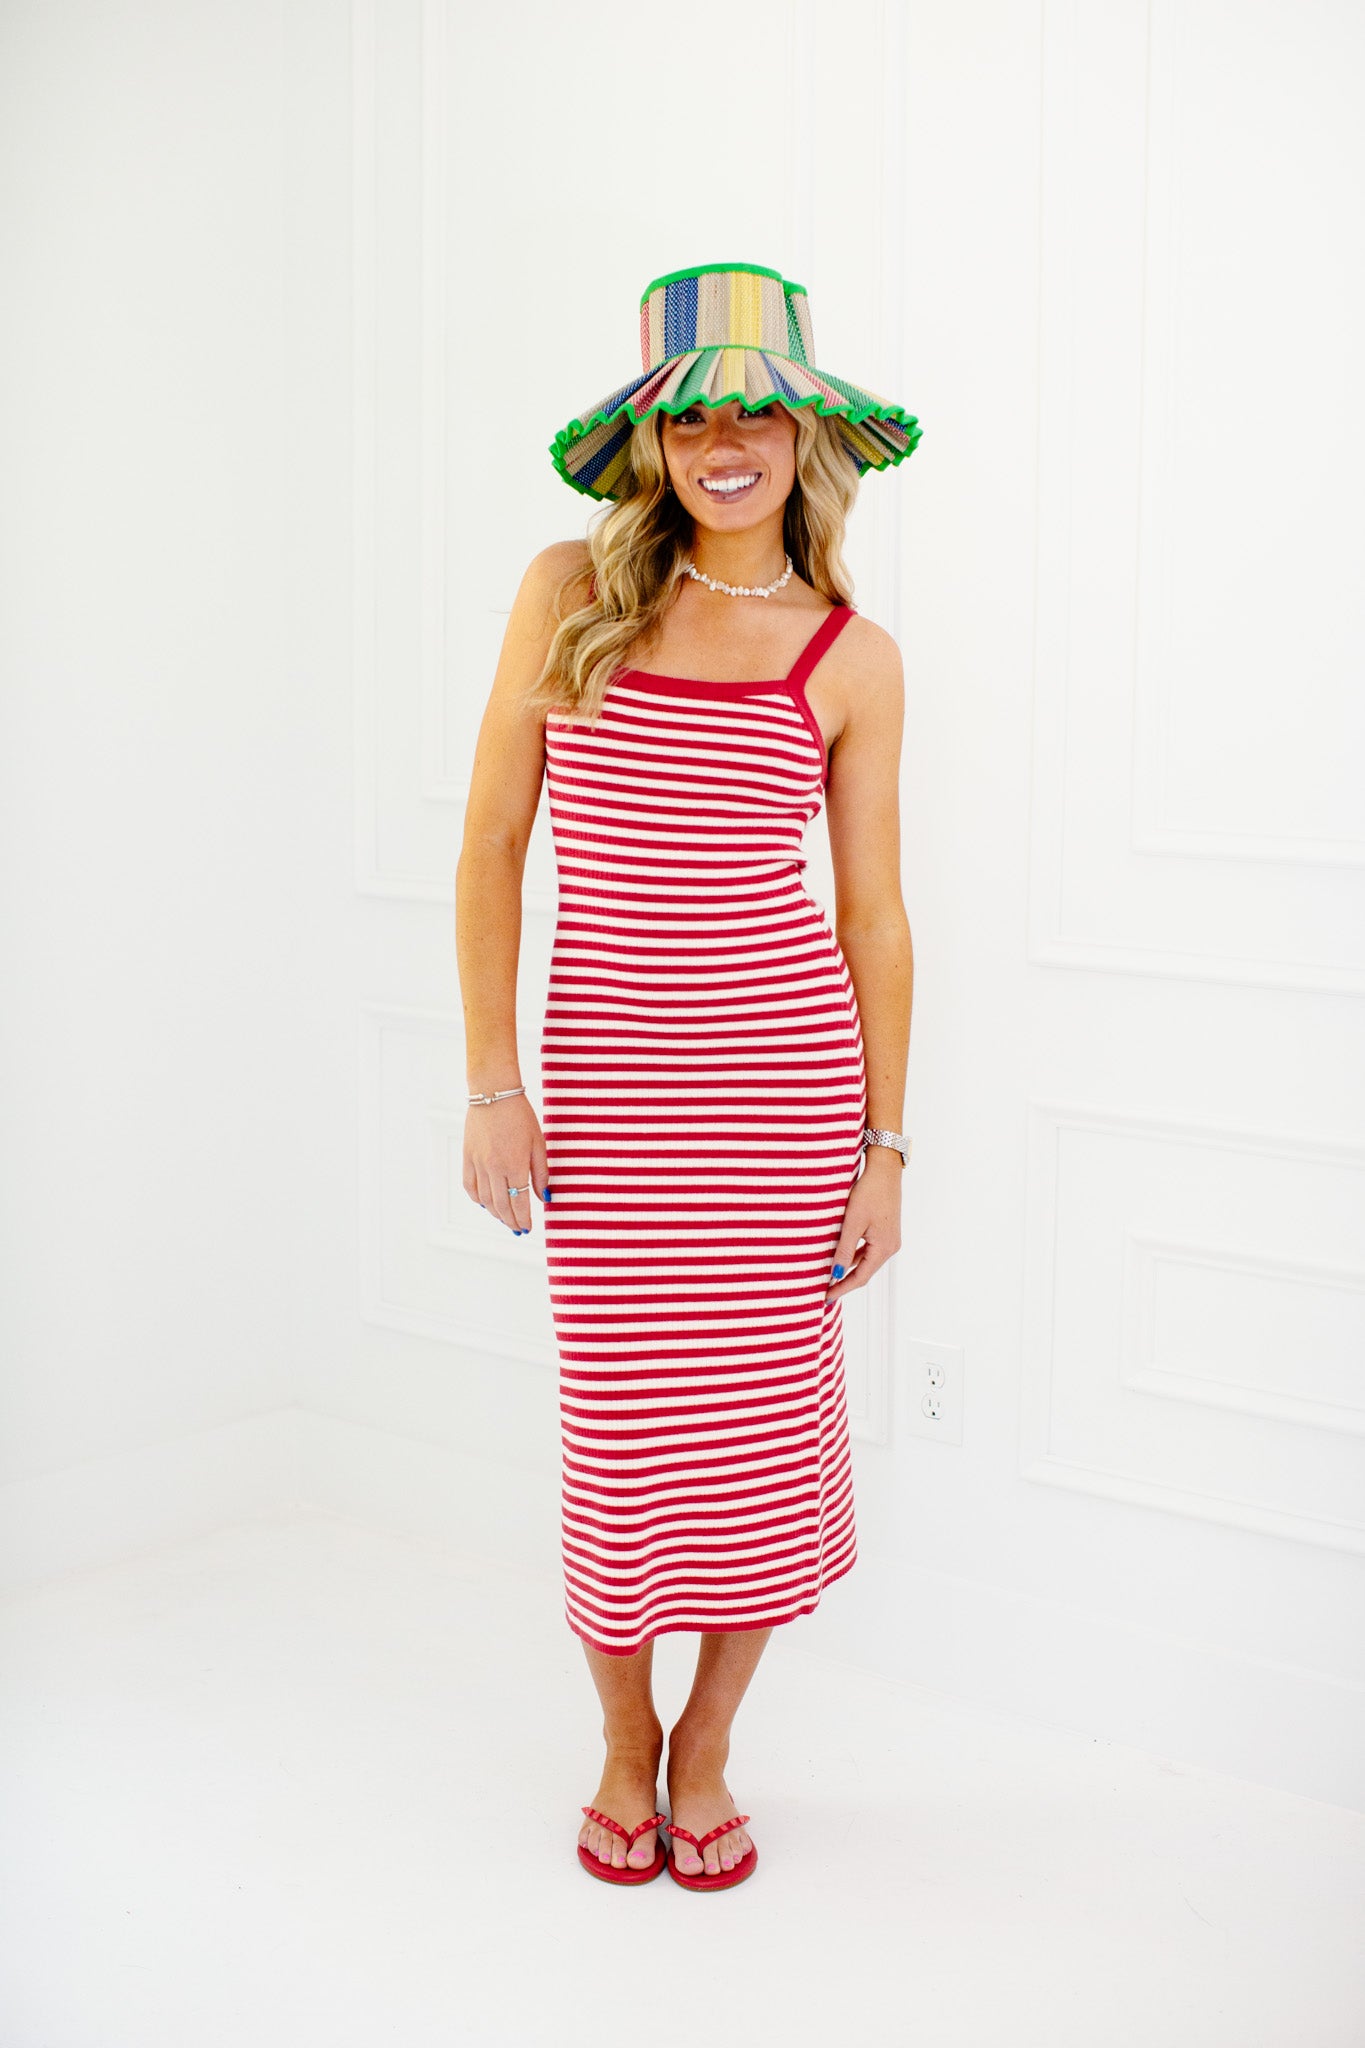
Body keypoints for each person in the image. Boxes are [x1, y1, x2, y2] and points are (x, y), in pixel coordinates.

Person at [455, 261, 920, 1891]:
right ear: (652, 442)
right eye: (694, 417)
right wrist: (490, 1083)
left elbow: (870, 917)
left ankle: (706, 1748)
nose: (728, 444)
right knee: (623, 1444)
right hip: (608, 1109)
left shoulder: (851, 656)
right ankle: (618, 1739)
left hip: (782, 1110)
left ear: (806, 441)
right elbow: (492, 846)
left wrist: (883, 1148)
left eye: (759, 417)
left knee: (757, 1453)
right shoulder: (564, 590)